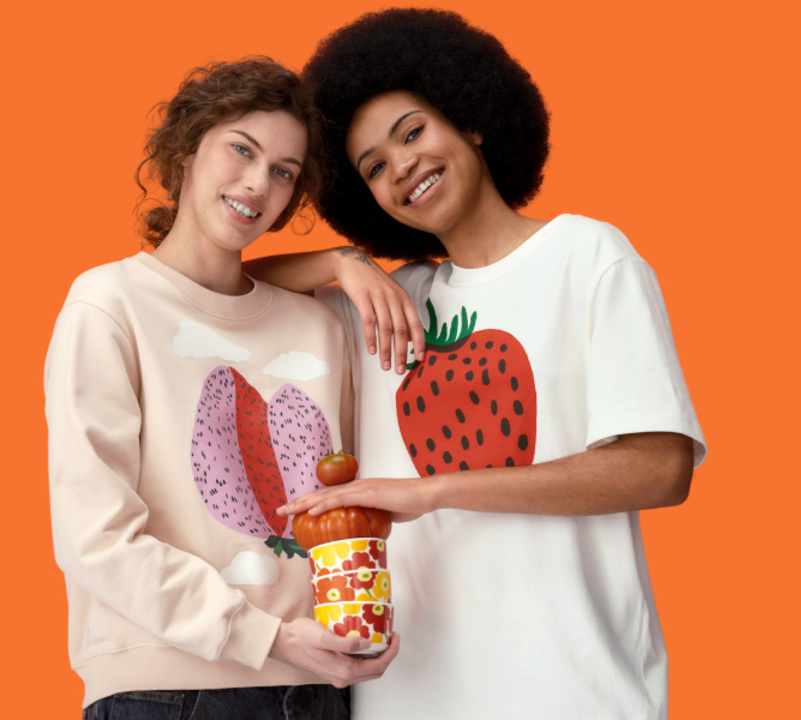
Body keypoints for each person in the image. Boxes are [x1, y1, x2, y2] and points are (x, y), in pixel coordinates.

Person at [252, 9, 708, 719]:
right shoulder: (390, 301)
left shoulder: (586, 255)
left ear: (470, 119)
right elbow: (223, 282)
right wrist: (343, 261)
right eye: (373, 166)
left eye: (413, 132)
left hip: (571, 689)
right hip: (406, 696)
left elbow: (660, 467)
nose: (401, 166)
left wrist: (432, 492)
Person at [44, 57, 398, 720]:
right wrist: (264, 636)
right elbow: (94, 535)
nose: (257, 183)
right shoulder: (107, 304)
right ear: (185, 151)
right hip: (165, 691)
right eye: (242, 150)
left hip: (319, 689)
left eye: (284, 172)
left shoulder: (321, 326)